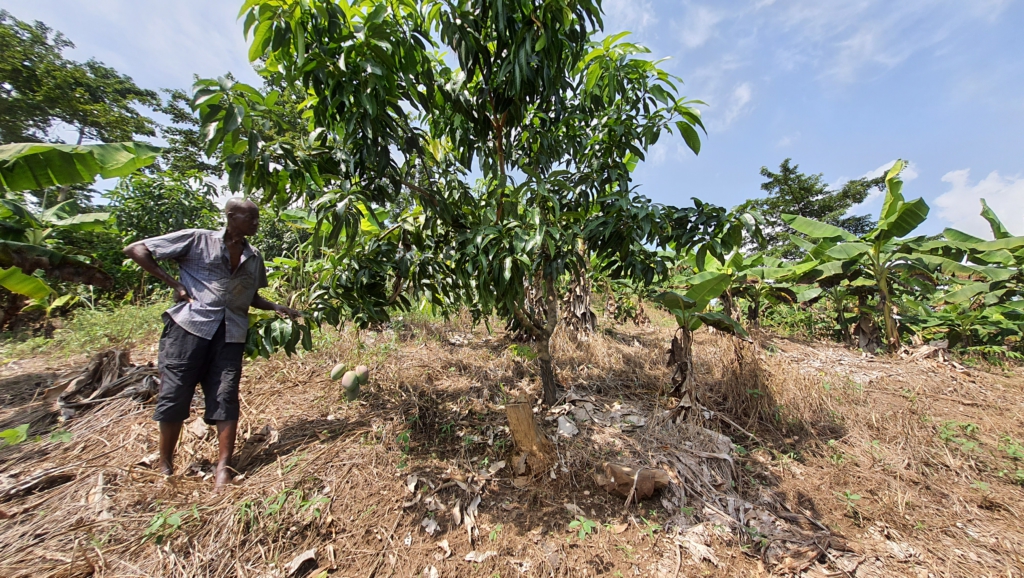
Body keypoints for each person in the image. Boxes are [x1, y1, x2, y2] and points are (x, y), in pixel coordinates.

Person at [123, 198, 299, 488]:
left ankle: (223, 468)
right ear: (231, 216)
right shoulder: (197, 239)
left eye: (257, 219)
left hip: (231, 333)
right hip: (189, 328)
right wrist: (174, 284)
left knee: (225, 394)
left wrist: (278, 307)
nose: (255, 224)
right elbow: (136, 249)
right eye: (249, 218)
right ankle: (165, 465)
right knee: (175, 393)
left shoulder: (254, 257)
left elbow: (250, 296)